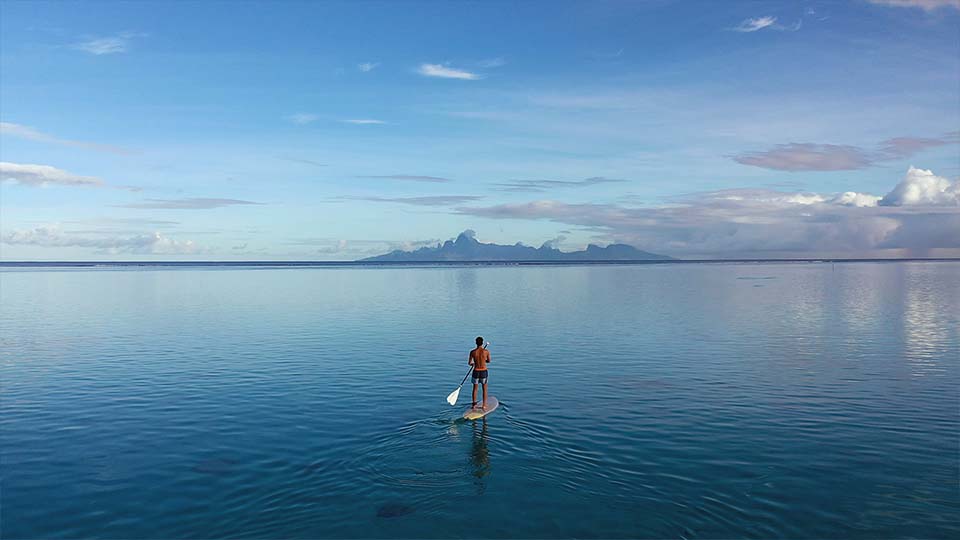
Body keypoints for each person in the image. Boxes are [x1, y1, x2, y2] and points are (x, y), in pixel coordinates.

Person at [469, 336, 491, 410]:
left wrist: (473, 364)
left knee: (475, 389)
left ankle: (474, 405)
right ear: (482, 343)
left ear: (476, 343)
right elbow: (488, 361)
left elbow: (469, 363)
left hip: (476, 371)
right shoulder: (486, 352)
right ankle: (484, 405)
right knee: (484, 389)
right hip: (483, 371)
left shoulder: (472, 352)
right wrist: (483, 360)